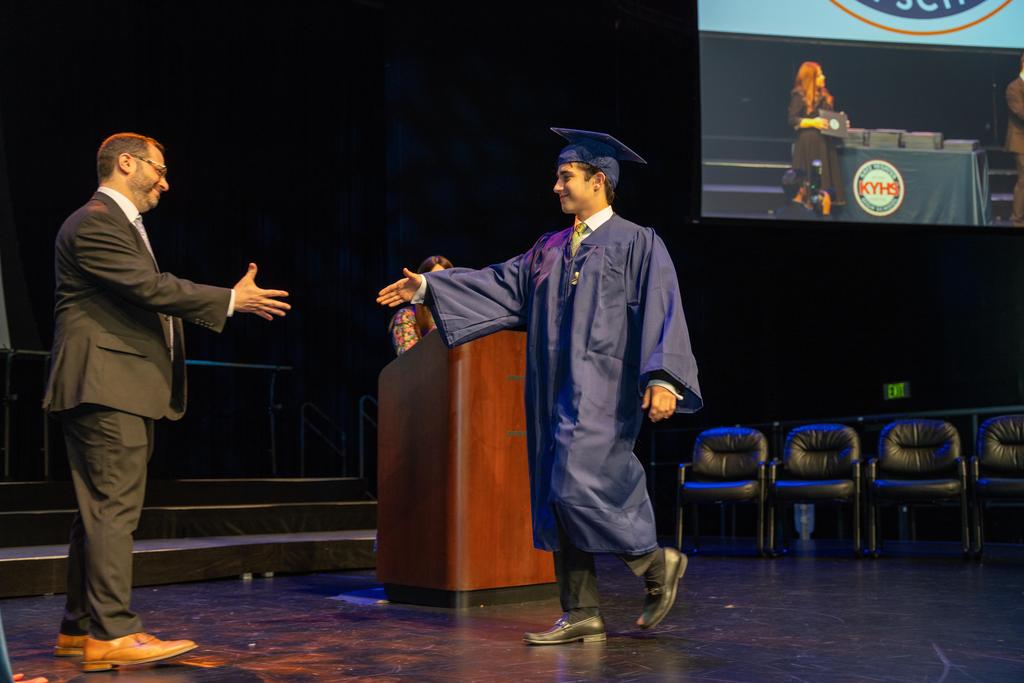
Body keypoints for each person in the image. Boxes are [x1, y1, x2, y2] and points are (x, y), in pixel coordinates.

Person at [377, 127, 702, 645]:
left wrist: (663, 377)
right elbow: (498, 284)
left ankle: (653, 562)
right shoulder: (548, 249)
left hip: (604, 388)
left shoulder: (638, 242)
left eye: (565, 176)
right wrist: (428, 286)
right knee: (555, 491)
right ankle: (581, 610)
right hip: (550, 390)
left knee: (577, 480)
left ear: (598, 181)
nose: (556, 186)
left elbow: (665, 308)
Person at [42, 133, 291, 672]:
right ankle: (112, 633)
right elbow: (149, 288)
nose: (165, 182)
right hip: (105, 384)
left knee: (99, 513)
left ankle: (79, 629)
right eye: (158, 170)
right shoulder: (95, 222)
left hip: (115, 385)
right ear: (126, 163)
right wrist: (230, 299)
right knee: (113, 510)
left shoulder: (118, 224)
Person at [788, 61, 846, 206]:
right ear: (811, 78)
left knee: (824, 178)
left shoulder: (825, 96)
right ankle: (810, 204)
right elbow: (793, 120)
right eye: (820, 75)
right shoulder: (800, 96)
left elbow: (828, 119)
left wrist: (840, 123)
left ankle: (824, 206)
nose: (823, 77)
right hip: (809, 144)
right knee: (812, 178)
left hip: (824, 144)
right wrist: (814, 122)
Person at [388, 255, 453, 355]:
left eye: (443, 279)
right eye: (434, 279)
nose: (439, 285)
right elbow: (410, 359)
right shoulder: (407, 316)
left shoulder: (457, 313)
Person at [1007, 51, 1024, 227]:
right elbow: (1020, 112)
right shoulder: (1014, 87)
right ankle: (1017, 220)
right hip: (1020, 142)